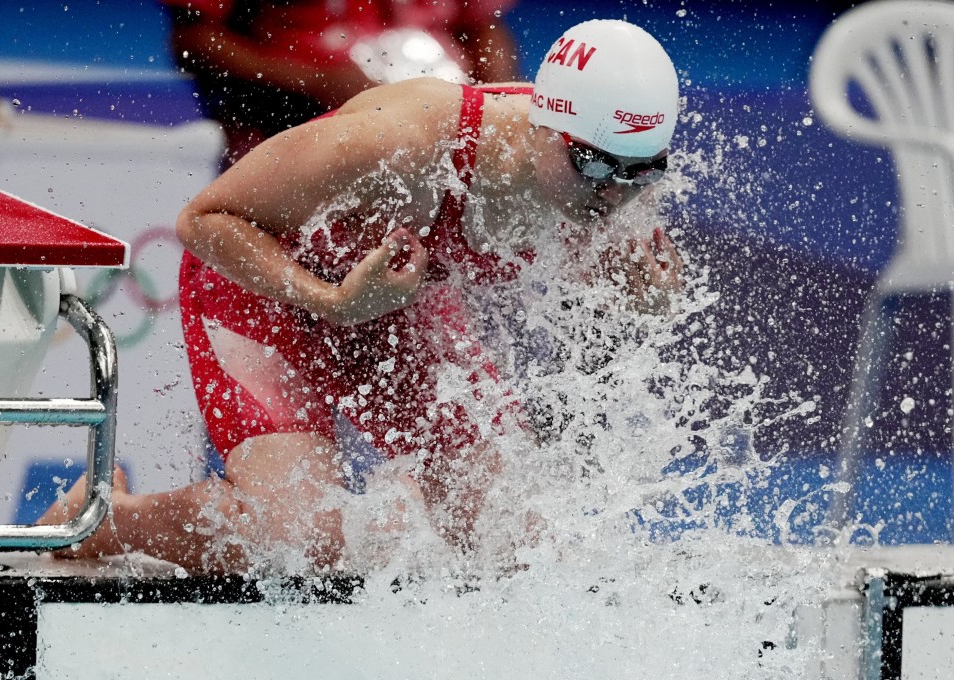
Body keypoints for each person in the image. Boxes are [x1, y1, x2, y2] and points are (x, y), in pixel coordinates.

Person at [39, 19, 684, 574]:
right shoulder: (408, 139)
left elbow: (610, 281)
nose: (616, 197)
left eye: (642, 173)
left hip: (388, 301)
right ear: (545, 125)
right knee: (301, 539)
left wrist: (645, 306)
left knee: (508, 534)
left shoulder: (605, 180)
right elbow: (205, 220)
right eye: (596, 168)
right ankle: (106, 519)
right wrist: (332, 299)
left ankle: (390, 511)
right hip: (267, 291)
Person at [159, 0, 523, 166]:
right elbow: (195, 40)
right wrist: (318, 84)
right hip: (297, 143)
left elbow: (482, 25)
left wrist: (497, 103)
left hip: (443, 146)